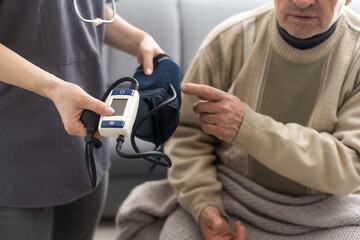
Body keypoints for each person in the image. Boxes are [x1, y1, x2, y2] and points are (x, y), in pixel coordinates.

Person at [165, 0, 360, 239]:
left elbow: (350, 169)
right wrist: (205, 205)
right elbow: (186, 135)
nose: (302, 2)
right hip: (231, 193)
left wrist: (247, 128)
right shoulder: (228, 40)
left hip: (327, 208)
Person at [0, 1, 163, 240]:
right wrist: (53, 87)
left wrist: (138, 40)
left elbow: (89, 10)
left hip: (87, 143)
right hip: (16, 152)